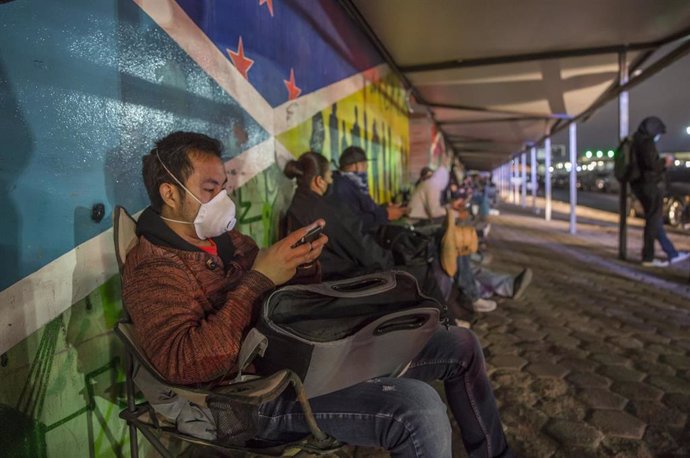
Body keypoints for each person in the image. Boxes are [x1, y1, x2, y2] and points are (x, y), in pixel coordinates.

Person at [122, 132, 513, 457]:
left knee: (458, 343)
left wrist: (298, 264)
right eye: (210, 189)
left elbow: (271, 297)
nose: (223, 200)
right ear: (170, 194)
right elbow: (184, 364)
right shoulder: (153, 267)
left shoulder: (224, 239)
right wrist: (260, 277)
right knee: (419, 406)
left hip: (297, 351)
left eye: (223, 187)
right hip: (253, 396)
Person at [284, 151, 394, 280]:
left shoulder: (297, 206)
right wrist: (392, 264)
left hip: (319, 281)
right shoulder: (324, 210)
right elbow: (364, 249)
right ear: (319, 181)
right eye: (330, 177)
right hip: (338, 282)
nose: (331, 181)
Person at [629, 116, 690, 267]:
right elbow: (652, 165)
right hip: (650, 186)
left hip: (640, 186)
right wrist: (665, 162)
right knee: (653, 221)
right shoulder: (646, 142)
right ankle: (649, 257)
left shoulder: (635, 141)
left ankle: (670, 252)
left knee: (654, 221)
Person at [330, 145, 406, 233]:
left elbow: (364, 210)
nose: (366, 169)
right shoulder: (341, 187)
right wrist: (386, 214)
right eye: (365, 165)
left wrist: (384, 208)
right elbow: (351, 223)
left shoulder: (352, 183)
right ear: (357, 166)